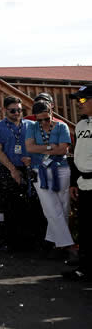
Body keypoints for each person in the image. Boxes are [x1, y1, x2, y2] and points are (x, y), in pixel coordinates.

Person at [25, 101, 77, 258]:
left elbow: (63, 149)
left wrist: (47, 148)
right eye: (39, 120)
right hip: (40, 170)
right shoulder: (32, 128)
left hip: (61, 169)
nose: (43, 123)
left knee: (64, 207)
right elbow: (30, 148)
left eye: (46, 119)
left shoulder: (61, 126)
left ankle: (54, 243)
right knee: (52, 209)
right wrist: (50, 148)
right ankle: (69, 245)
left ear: (51, 114)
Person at [0, 96, 39, 251]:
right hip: (9, 169)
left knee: (32, 206)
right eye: (13, 110)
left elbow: (40, 145)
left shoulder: (31, 125)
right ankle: (12, 243)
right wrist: (13, 170)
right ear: (4, 110)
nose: (17, 113)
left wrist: (32, 160)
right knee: (11, 206)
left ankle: (32, 241)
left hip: (30, 168)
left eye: (19, 110)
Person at [66, 85, 92, 281]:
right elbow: (78, 155)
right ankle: (85, 268)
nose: (78, 104)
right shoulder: (81, 125)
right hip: (83, 183)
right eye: (78, 100)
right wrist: (74, 181)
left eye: (83, 100)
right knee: (85, 228)